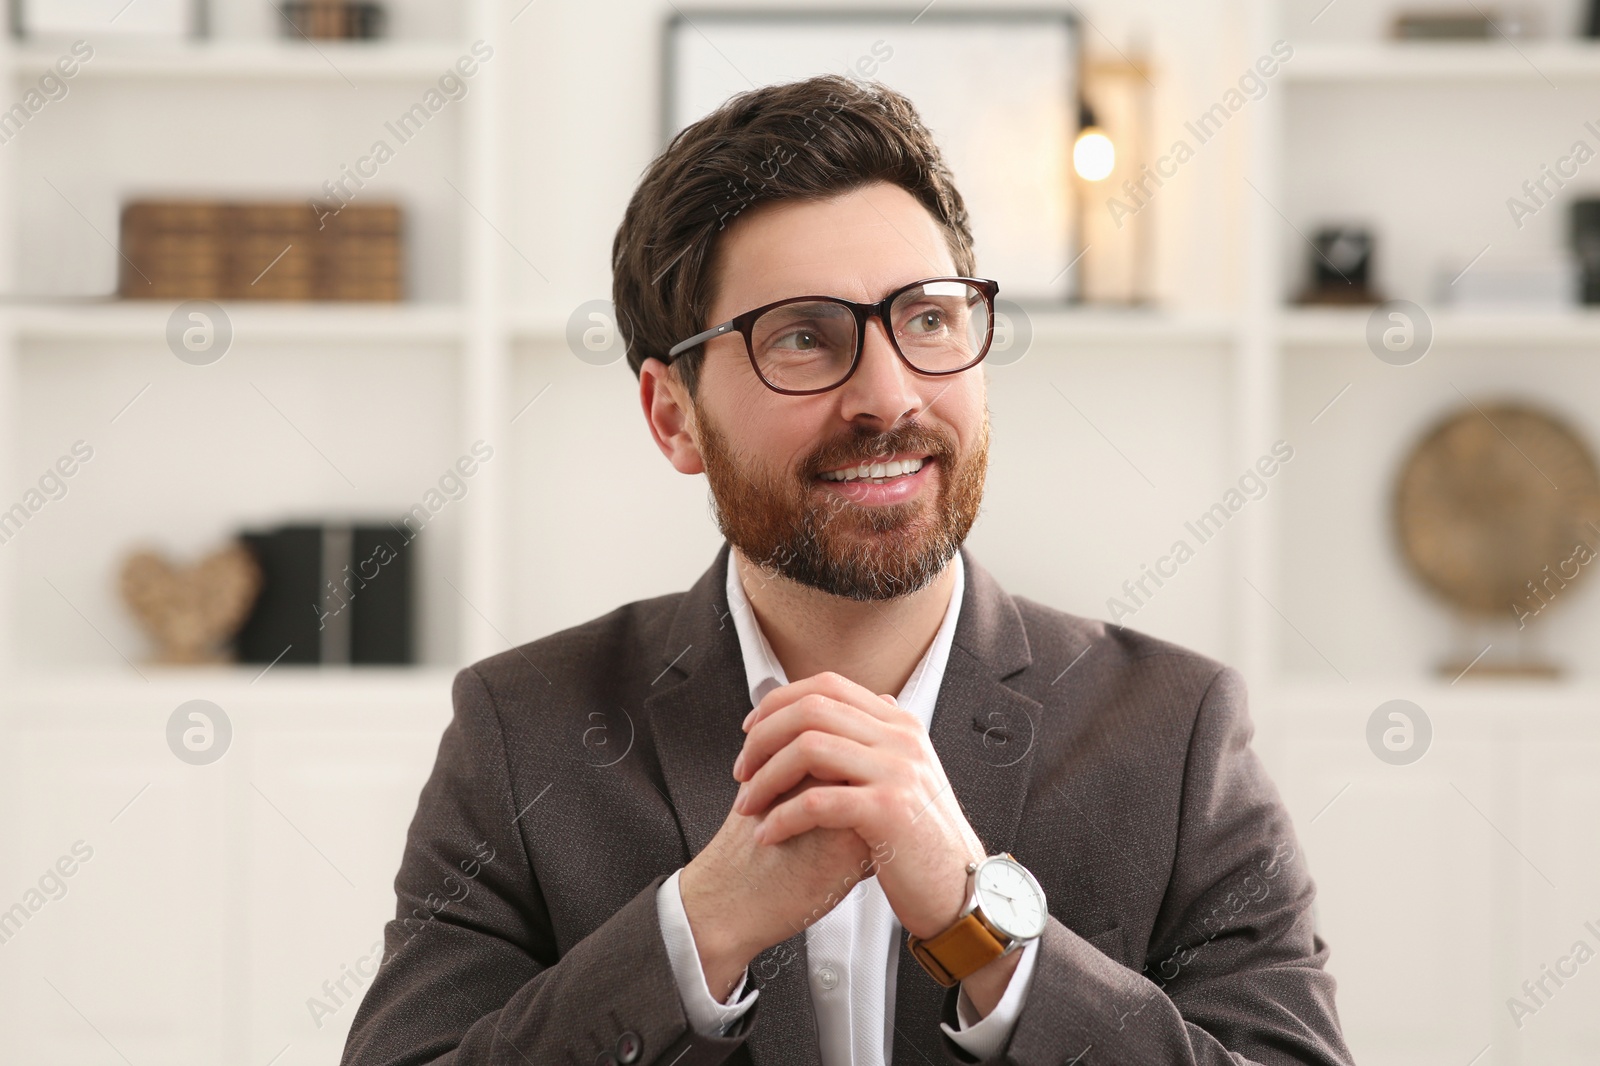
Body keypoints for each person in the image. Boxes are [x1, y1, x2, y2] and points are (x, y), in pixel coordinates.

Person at [341, 73, 1353, 1066]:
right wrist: (693, 931)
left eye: (928, 318)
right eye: (802, 337)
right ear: (672, 416)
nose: (888, 394)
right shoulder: (523, 731)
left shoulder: (1176, 734)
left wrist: (982, 927)